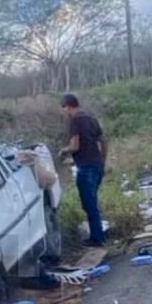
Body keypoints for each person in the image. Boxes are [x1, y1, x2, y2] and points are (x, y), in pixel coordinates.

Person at [59, 93, 107, 247]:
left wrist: (63, 151)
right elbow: (103, 140)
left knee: (89, 203)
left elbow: (75, 146)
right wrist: (102, 160)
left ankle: (97, 239)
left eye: (64, 108)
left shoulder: (75, 121)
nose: (64, 111)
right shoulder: (91, 118)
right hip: (97, 164)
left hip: (85, 167)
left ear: (68, 106)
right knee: (92, 201)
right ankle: (98, 234)